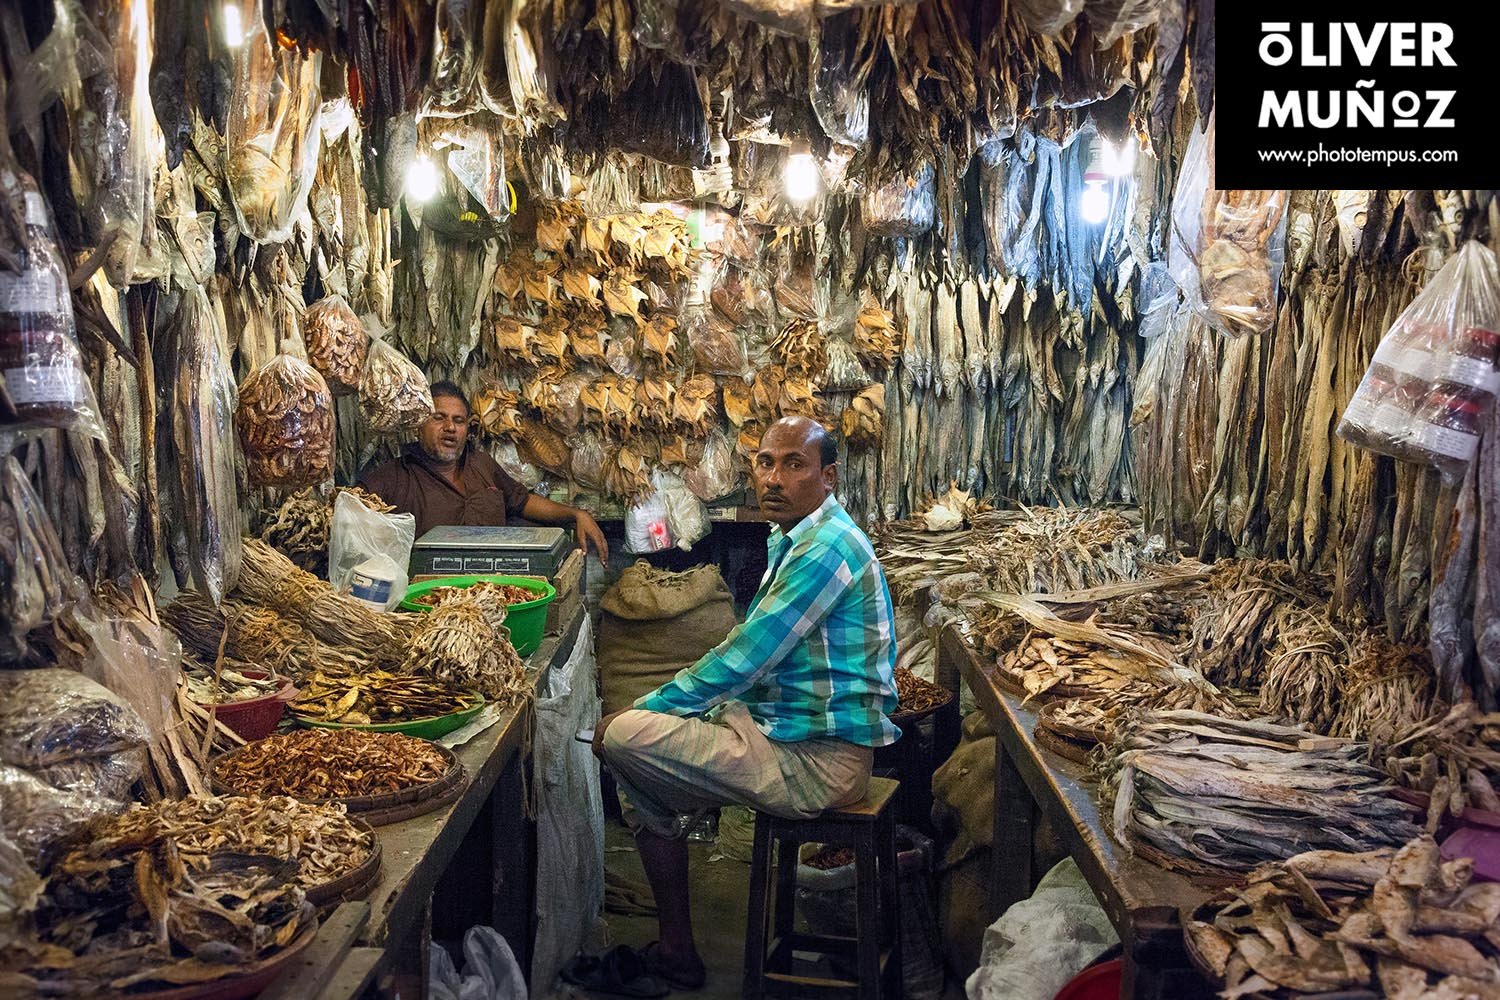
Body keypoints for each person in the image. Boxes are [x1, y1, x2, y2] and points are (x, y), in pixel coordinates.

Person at [591, 415, 899, 990]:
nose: (774, 479)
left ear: (828, 477)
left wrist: (650, 709)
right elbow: (755, 669)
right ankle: (678, 948)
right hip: (782, 731)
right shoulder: (793, 537)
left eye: (794, 464)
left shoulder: (825, 548)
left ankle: (678, 947)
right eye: (765, 463)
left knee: (624, 739)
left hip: (822, 760)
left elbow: (745, 658)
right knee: (638, 775)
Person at [358, 380, 608, 563]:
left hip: (492, 589)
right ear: (418, 426)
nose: (450, 428)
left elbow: (521, 501)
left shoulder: (482, 465)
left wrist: (576, 514)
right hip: (427, 599)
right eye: (438, 418)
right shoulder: (393, 478)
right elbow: (351, 510)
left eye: (458, 421)